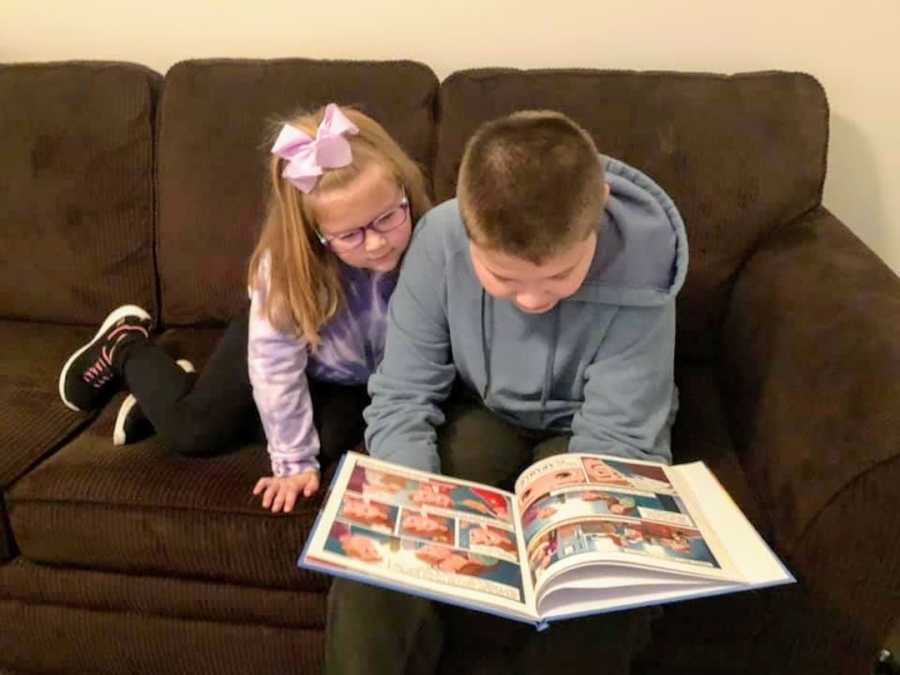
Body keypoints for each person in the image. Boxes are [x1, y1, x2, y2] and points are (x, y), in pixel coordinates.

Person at [328, 110, 687, 674]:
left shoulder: (643, 267)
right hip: (485, 414)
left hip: (595, 431)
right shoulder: (439, 241)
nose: (532, 301)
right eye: (504, 279)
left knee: (607, 588)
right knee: (381, 547)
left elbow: (619, 436)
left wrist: (575, 531)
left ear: (595, 223)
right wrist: (408, 497)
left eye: (559, 276)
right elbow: (402, 391)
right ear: (466, 232)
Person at [57, 103, 431, 513]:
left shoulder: (431, 243)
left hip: (344, 376)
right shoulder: (287, 271)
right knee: (194, 433)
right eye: (351, 235)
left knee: (333, 440)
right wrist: (291, 462)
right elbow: (274, 368)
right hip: (281, 352)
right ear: (316, 236)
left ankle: (178, 392)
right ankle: (127, 346)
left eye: (388, 218)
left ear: (406, 193)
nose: (378, 243)